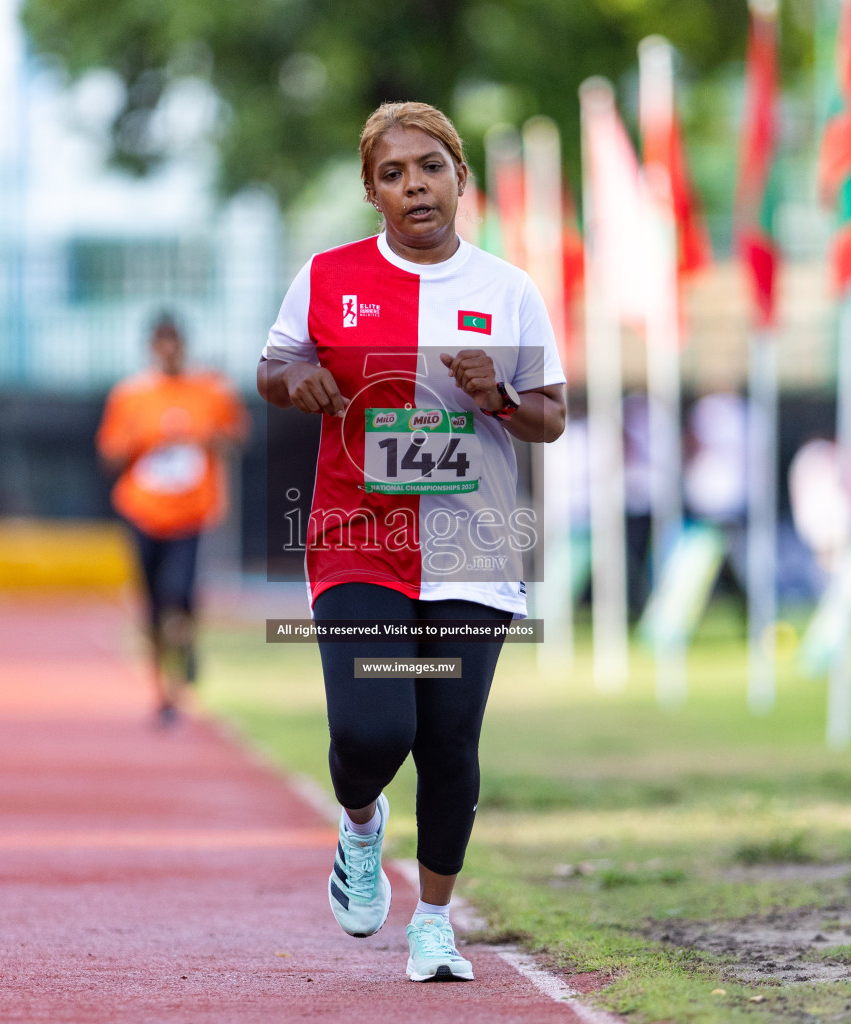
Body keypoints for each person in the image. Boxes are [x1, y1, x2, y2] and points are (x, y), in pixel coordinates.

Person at [256, 101, 566, 982]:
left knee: (449, 739)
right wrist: (300, 378)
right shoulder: (327, 277)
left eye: (428, 166)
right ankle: (360, 825)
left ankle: (435, 920)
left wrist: (498, 395)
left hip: (474, 544)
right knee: (370, 727)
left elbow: (552, 416)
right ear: (371, 192)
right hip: (357, 534)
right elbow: (271, 369)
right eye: (392, 174)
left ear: (459, 177)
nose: (413, 186)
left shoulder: (507, 290)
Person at [97, 314, 247, 727]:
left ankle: (185, 656)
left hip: (191, 512)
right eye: (160, 343)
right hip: (142, 511)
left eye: (174, 342)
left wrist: (199, 436)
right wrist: (145, 440)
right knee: (151, 606)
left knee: (178, 594)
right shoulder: (130, 394)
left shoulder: (210, 389)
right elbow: (109, 456)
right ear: (150, 348)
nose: (168, 350)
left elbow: (236, 437)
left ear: (184, 345)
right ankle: (163, 691)